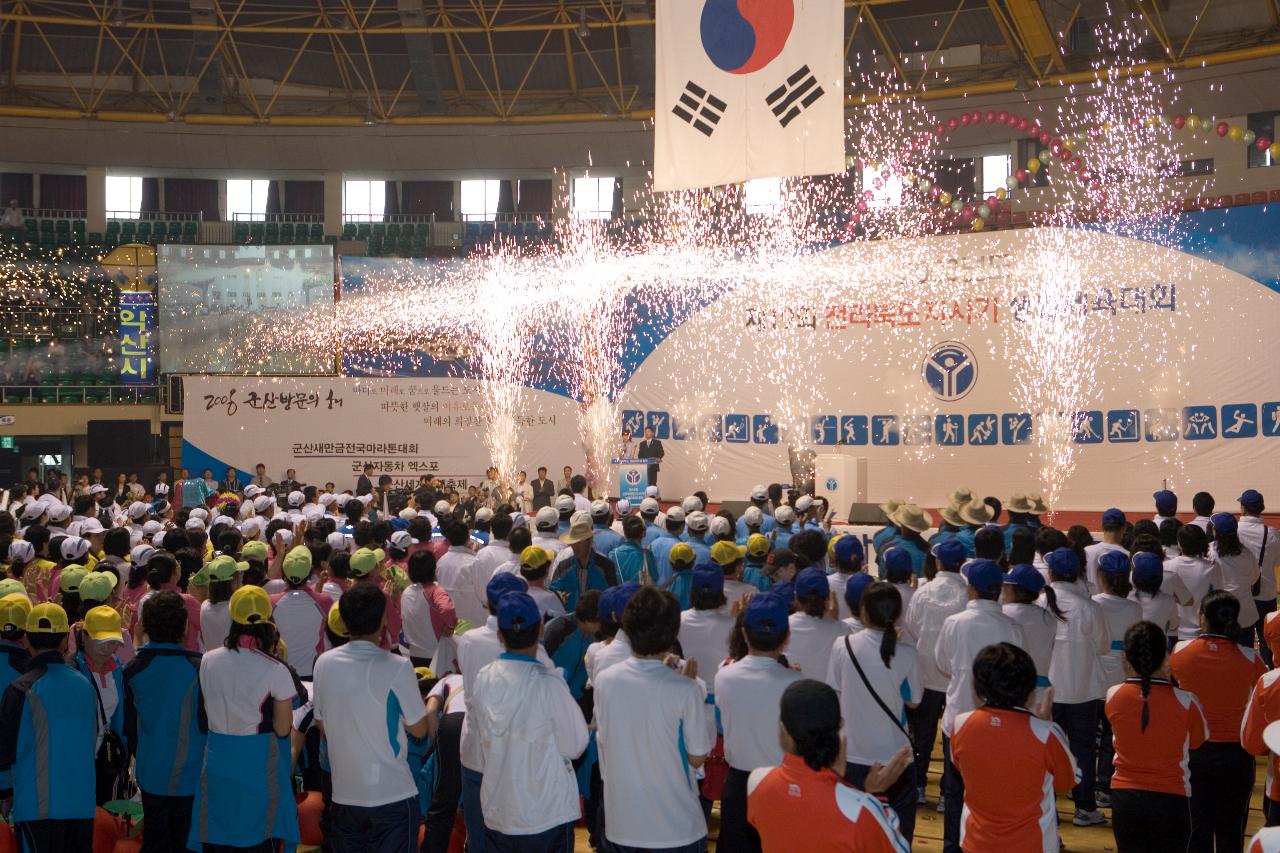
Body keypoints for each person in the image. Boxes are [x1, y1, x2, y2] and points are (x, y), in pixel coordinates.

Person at [595, 586, 713, 852]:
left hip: (622, 824)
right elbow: (697, 757)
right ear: (673, 632)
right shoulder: (686, 688)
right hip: (677, 826)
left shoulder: (605, 680)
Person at [312, 584, 429, 852]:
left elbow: (321, 722)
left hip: (344, 796)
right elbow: (420, 729)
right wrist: (433, 707)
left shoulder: (323, 664)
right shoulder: (397, 667)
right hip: (393, 795)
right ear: (383, 620)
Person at [470, 590, 589, 850]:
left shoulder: (483, 678)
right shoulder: (549, 684)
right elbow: (576, 744)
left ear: (500, 636)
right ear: (540, 631)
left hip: (499, 809)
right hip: (545, 813)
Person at [191, 585, 300, 852]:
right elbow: (283, 729)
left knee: (218, 837)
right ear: (268, 619)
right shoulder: (277, 669)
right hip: (258, 766)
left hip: (217, 761)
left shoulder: (207, 660)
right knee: (259, 839)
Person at [746, 679, 911, 853]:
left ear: (784, 732)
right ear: (839, 728)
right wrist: (878, 798)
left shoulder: (757, 782)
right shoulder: (859, 809)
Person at [456, 573, 557, 853]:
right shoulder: (536, 653)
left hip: (476, 750)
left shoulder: (469, 640)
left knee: (480, 836)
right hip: (519, 756)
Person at [951, 643, 1078, 853]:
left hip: (976, 842)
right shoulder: (1045, 733)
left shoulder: (960, 724)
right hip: (1032, 845)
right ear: (1029, 688)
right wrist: (1048, 723)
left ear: (978, 686)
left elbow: (961, 766)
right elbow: (1067, 781)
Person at [935, 559, 1023, 853]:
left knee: (955, 788)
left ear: (970, 589)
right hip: (1001, 720)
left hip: (959, 716)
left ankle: (952, 846)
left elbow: (943, 663)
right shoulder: (1012, 627)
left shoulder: (954, 623)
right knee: (994, 788)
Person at [1170, 591, 1265, 853]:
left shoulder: (1180, 651)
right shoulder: (1251, 658)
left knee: (1196, 829)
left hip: (1193, 753)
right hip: (1236, 755)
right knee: (1231, 832)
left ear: (1202, 618)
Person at [0, 602, 98, 850]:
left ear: (26, 640)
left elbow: (4, 750)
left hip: (38, 808)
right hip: (81, 805)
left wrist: (4, 793)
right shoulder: (85, 685)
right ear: (66, 640)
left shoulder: (21, 689)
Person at [827, 581, 920, 841]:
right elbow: (914, 701)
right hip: (896, 757)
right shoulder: (907, 653)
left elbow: (834, 689)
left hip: (852, 755)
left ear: (863, 611)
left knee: (852, 833)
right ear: (896, 615)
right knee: (897, 835)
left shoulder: (841, 645)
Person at [1106, 620, 1208, 853]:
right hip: (1171, 799)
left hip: (1126, 798)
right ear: (1165, 658)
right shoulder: (1187, 701)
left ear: (1126, 659)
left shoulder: (1114, 695)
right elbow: (1198, 741)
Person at [713, 593, 803, 853]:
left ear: (743, 632)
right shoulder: (796, 683)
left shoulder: (724, 675)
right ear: (786, 638)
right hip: (782, 784)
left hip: (739, 782)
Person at [123, 590, 206, 853]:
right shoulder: (199, 667)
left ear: (145, 626)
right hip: (192, 775)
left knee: (155, 842)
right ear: (184, 626)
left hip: (152, 772)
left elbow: (128, 728)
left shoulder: (134, 669)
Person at [1042, 546, 1110, 827]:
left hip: (1047, 693)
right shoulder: (1089, 607)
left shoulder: (1039, 602)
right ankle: (1084, 806)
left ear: (1052, 573)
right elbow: (1104, 647)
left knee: (1045, 749)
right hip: (1083, 690)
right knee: (1082, 749)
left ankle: (1049, 811)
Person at [903, 536, 968, 804]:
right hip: (956, 676)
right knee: (953, 735)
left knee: (923, 733)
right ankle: (947, 791)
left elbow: (912, 626)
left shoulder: (923, 592)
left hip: (927, 672)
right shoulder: (967, 593)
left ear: (938, 561)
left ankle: (918, 784)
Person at [1093, 550, 1144, 804]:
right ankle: (1104, 784)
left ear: (1101, 576)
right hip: (1121, 679)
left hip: (1093, 677)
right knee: (1111, 736)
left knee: (1090, 734)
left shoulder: (1094, 603)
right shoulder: (1134, 608)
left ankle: (1082, 784)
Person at [270, 545, 333, 678]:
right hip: (313, 672)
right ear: (310, 573)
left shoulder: (271, 602)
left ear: (284, 574)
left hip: (281, 673)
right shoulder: (325, 601)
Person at [1237, 490, 1280, 667]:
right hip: (1267, 594)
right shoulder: (1272, 534)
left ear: (1243, 508)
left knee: (1243, 644)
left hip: (1243, 595)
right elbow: (1277, 561)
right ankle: (1270, 674)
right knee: (1267, 642)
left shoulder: (1235, 531)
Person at [786, 567, 850, 680]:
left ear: (796, 596)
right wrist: (835, 622)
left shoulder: (783, 626)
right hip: (830, 696)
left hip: (793, 695)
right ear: (828, 597)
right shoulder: (843, 630)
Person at [549, 512, 618, 612]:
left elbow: (612, 597)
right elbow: (554, 592)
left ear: (589, 541)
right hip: (571, 622)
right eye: (573, 543)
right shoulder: (563, 566)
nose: (574, 546)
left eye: (579, 542)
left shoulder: (606, 566)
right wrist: (558, 597)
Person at [400, 550, 457, 667]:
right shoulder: (435, 590)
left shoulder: (407, 592)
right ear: (433, 569)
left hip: (414, 653)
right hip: (435, 654)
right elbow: (447, 609)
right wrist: (451, 625)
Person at [1210, 513, 1262, 640]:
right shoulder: (1247, 553)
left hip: (1219, 614)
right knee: (1246, 655)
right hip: (1245, 614)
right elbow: (1254, 578)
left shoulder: (1208, 551)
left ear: (1215, 532)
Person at [1168, 523, 1223, 641]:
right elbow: (1218, 598)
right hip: (1203, 632)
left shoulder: (1167, 566)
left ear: (1179, 544)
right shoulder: (1213, 567)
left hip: (1175, 633)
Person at [1085, 508, 1130, 592]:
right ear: (1124, 528)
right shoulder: (1128, 556)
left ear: (1102, 525)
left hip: (1090, 602)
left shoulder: (1086, 552)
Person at [519, 545, 567, 621]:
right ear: (546, 569)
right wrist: (561, 602)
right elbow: (561, 627)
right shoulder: (551, 598)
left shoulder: (514, 595)